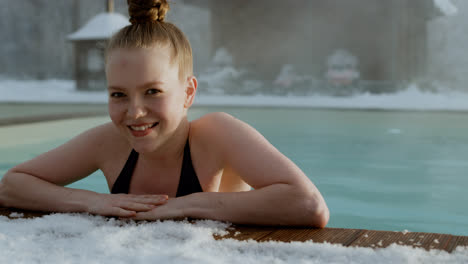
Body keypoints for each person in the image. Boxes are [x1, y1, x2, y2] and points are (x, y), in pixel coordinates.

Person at [0, 0, 329, 227]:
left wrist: (184, 205)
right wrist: (94, 202)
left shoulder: (217, 134)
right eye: (118, 94)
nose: (134, 112)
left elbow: (309, 205)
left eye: (152, 91)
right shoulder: (110, 141)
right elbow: (12, 185)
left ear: (188, 92)